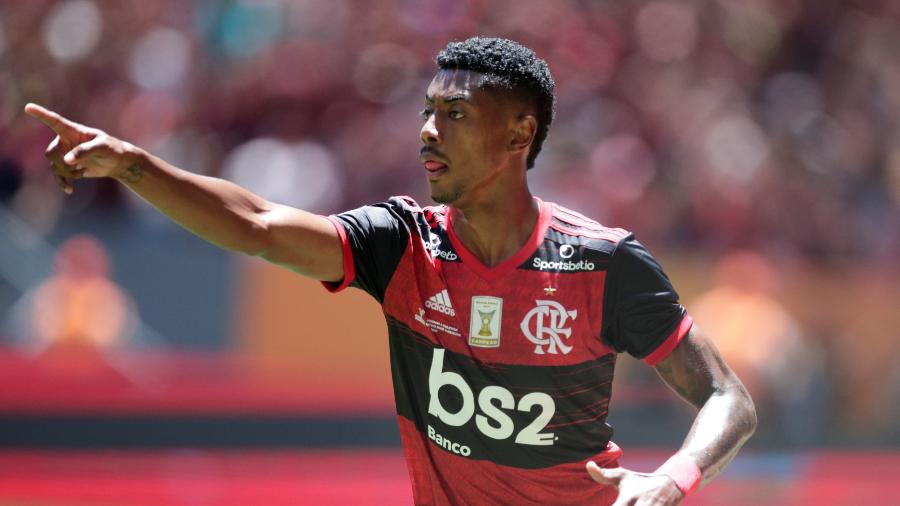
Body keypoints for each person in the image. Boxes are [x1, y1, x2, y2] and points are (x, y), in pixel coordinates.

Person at [26, 37, 755, 506]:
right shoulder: (402, 243)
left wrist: (671, 478)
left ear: (519, 133)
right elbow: (257, 225)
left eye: (457, 115)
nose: (429, 131)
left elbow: (727, 396)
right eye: (428, 111)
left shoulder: (603, 262)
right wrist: (133, 165)